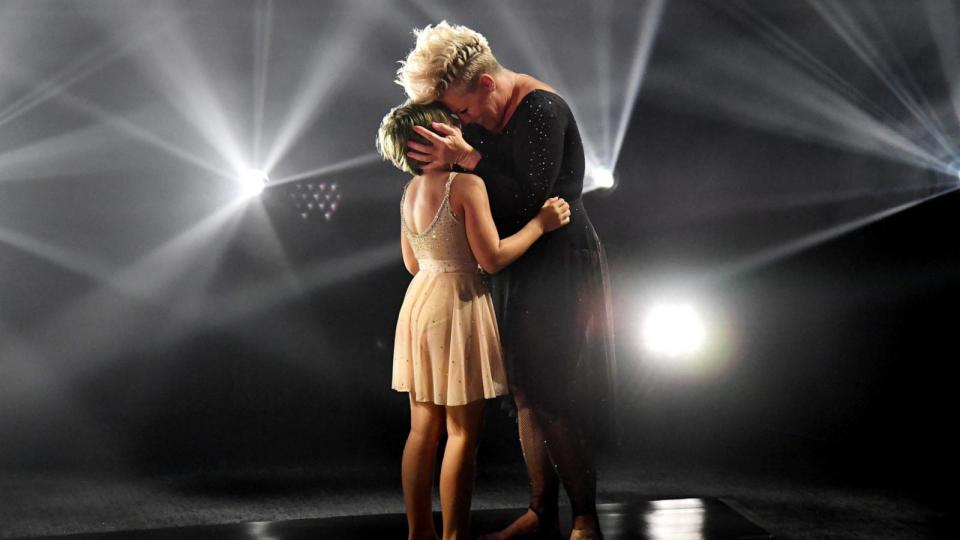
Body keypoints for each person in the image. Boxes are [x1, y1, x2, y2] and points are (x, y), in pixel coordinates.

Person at [396, 21, 616, 540]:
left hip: (559, 257)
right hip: (515, 258)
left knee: (552, 390)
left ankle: (584, 514)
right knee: (522, 391)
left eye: (464, 110)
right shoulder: (477, 111)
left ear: (488, 84)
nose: (464, 122)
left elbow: (527, 201)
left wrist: (467, 159)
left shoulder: (543, 110)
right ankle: (542, 510)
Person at [377, 100, 572, 540]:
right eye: (449, 125)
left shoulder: (409, 193)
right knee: (462, 433)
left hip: (419, 303)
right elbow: (493, 258)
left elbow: (412, 263)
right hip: (457, 304)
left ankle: (419, 533)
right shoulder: (466, 187)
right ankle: (455, 536)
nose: (458, 127)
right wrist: (541, 223)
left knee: (421, 430)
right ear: (434, 139)